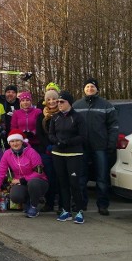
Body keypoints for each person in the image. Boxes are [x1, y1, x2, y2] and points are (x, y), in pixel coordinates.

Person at [73, 78, 118, 216]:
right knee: (81, 177)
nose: (90, 89)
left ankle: (103, 205)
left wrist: (111, 143)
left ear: (97, 89)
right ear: (83, 89)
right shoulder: (76, 105)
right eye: (87, 86)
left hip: (100, 146)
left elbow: (113, 126)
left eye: (92, 86)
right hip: (82, 147)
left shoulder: (106, 105)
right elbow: (72, 126)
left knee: (102, 178)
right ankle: (81, 204)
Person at [49, 91, 87, 224]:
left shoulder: (78, 117)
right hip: (58, 154)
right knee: (62, 183)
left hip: (74, 154)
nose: (58, 104)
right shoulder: (55, 117)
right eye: (58, 102)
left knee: (74, 183)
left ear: (69, 103)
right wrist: (57, 142)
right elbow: (51, 134)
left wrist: (67, 142)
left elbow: (83, 136)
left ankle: (80, 211)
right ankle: (66, 210)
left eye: (61, 102)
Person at [0, 130, 49, 218]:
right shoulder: (7, 154)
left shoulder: (31, 152)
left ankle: (34, 206)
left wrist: (21, 180)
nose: (15, 144)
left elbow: (39, 172)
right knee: (15, 196)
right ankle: (28, 202)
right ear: (9, 143)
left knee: (33, 183)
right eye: (12, 141)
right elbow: (1, 172)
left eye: (17, 140)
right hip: (21, 183)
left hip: (38, 181)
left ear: (22, 141)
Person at [35, 89, 61, 212]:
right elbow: (39, 134)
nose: (51, 101)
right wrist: (47, 146)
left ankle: (62, 203)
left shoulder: (62, 113)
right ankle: (49, 202)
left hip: (60, 148)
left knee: (60, 176)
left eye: (54, 99)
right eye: (48, 99)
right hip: (45, 150)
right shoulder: (41, 115)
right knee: (48, 176)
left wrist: (56, 144)